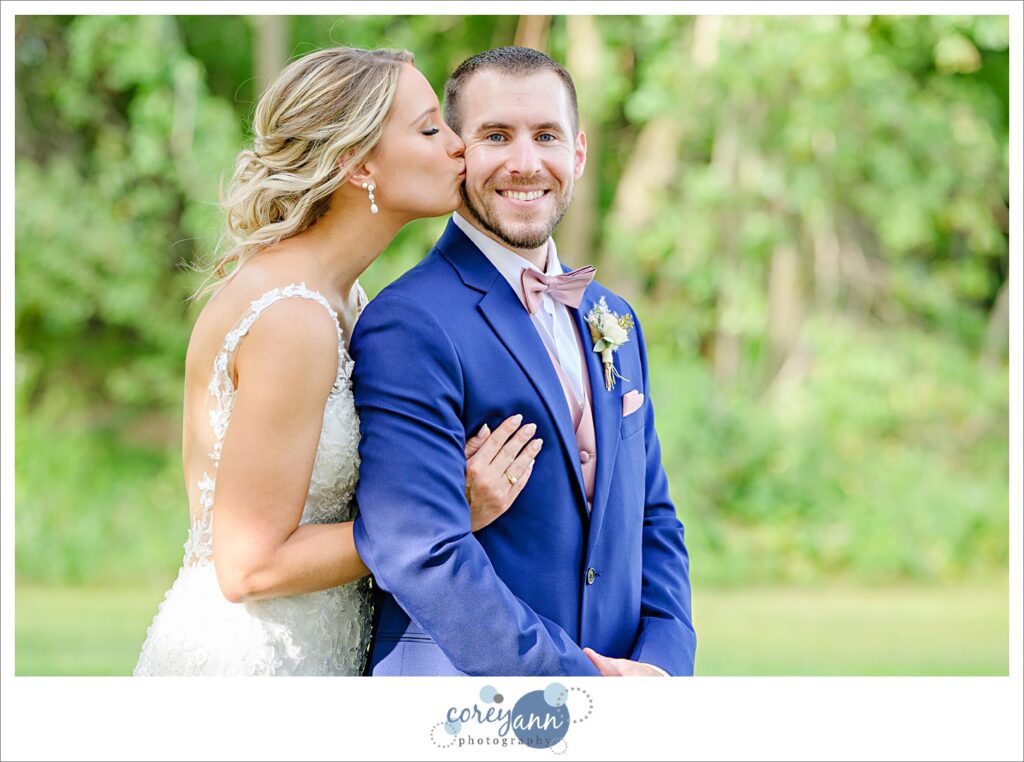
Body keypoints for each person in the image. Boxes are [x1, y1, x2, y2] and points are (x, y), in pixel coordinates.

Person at [133, 47, 540, 676]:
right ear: (358, 163)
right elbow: (247, 566)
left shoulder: (346, 298)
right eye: (429, 129)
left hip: (319, 649)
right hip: (252, 667)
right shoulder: (291, 317)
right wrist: (441, 514)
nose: (458, 145)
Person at [350, 47, 697, 676]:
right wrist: (582, 683)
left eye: (546, 136)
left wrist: (663, 669)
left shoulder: (614, 315)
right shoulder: (408, 323)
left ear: (579, 152)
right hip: (469, 700)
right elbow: (421, 552)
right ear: (458, 152)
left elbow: (652, 518)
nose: (526, 163)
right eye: (496, 136)